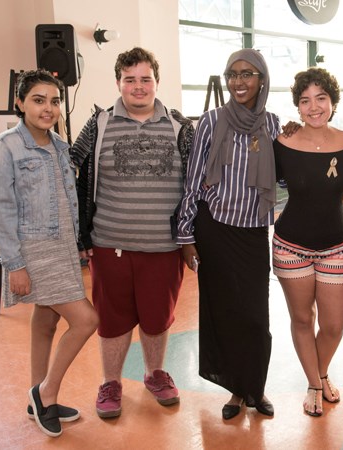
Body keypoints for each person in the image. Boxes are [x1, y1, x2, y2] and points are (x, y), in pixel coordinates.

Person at [70, 47, 194, 419]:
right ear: (118, 83)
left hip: (163, 247)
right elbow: (71, 170)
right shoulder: (99, 124)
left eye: (145, 79)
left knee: (157, 319)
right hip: (110, 246)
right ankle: (111, 383)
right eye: (130, 79)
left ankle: (154, 373)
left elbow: (196, 181)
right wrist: (81, 238)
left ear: (157, 81)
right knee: (113, 321)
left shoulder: (180, 127)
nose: (138, 87)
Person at [0, 69, 99, 437]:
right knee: (86, 321)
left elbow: (66, 203)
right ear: (19, 103)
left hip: (62, 248)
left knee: (47, 320)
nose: (48, 108)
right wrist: (14, 264)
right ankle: (46, 392)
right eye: (38, 100)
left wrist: (78, 246)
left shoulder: (59, 146)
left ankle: (39, 399)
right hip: (34, 252)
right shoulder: (6, 147)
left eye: (54, 101)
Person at [177, 48, 281, 420]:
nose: (239, 81)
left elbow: (282, 174)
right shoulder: (208, 121)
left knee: (256, 315)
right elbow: (192, 181)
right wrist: (185, 238)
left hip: (253, 232)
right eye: (233, 74)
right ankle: (237, 390)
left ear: (261, 80)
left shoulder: (272, 124)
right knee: (224, 312)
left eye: (247, 74)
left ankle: (257, 385)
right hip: (215, 230)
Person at [272, 67, 343, 417]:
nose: (314, 106)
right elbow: (262, 185)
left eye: (321, 98)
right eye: (305, 101)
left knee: (334, 324)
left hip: (337, 244)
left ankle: (321, 370)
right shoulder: (282, 143)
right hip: (290, 244)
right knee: (303, 319)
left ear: (333, 102)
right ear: (297, 107)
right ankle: (315, 382)